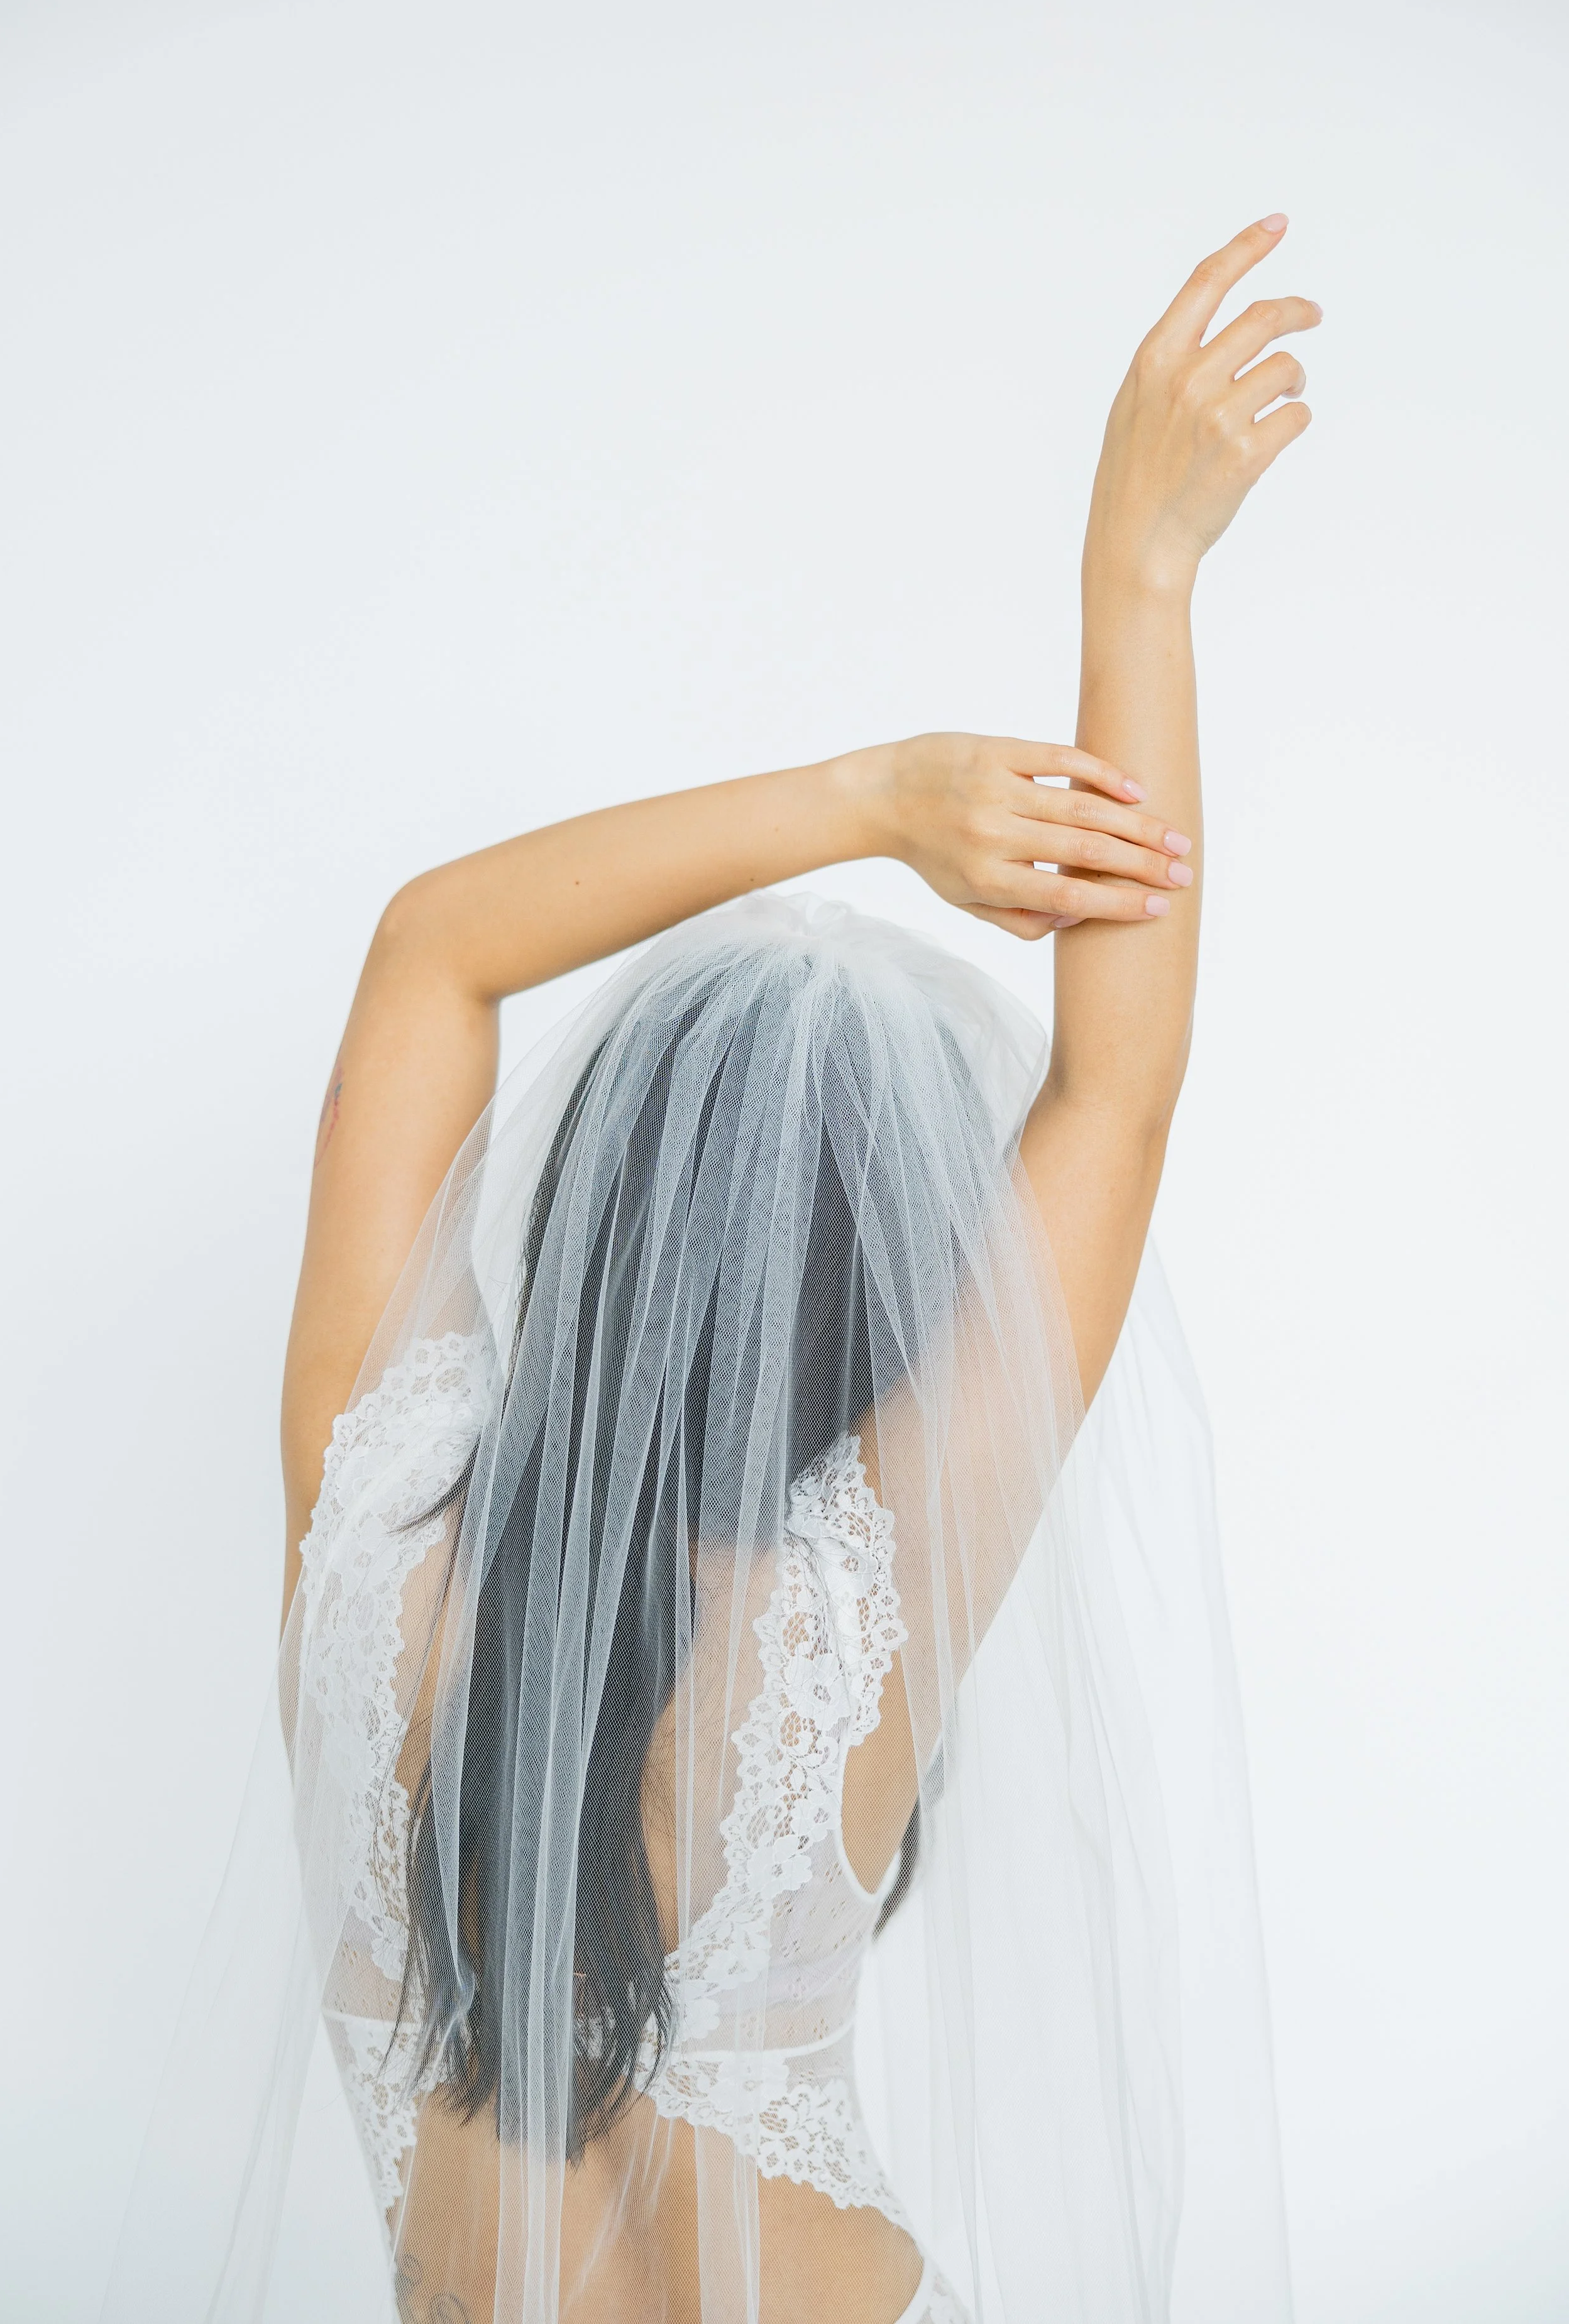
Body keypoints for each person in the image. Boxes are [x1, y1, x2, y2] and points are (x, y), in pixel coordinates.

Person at [102, 217, 1315, 2324]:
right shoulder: (867, 1598)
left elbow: (431, 948)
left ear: (571, 1210)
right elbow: (1115, 1089)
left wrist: (869, 799)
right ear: (892, 1300)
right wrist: (1140, 567)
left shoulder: (362, 1525)